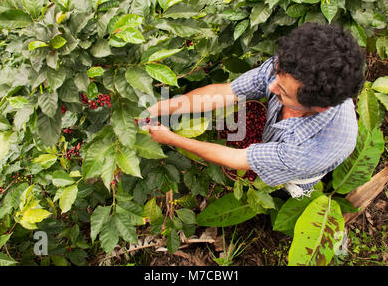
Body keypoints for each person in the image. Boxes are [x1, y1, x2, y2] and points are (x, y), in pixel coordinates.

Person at [143, 22, 365, 198]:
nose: (270, 87)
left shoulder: (313, 150)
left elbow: (237, 158)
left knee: (281, 190)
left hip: (298, 171)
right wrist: (164, 105)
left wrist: (171, 138)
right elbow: (226, 92)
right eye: (276, 75)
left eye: (283, 92)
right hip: (277, 142)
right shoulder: (292, 66)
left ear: (318, 107)